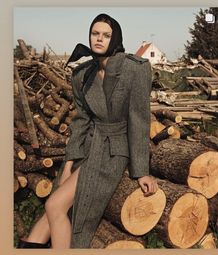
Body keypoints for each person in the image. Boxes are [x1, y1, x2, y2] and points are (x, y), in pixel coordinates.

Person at [17, 13, 158, 249]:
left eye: (106, 35)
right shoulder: (82, 75)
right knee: (45, 220)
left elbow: (139, 120)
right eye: (95, 34)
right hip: (89, 146)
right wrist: (69, 164)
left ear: (115, 39)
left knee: (54, 206)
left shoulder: (135, 69)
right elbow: (81, 121)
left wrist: (141, 171)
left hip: (114, 150)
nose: (99, 39)